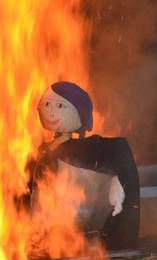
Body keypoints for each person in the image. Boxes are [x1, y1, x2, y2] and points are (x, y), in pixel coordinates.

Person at [30, 81, 140, 250]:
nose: (50, 111)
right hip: (51, 233)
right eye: (46, 104)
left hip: (86, 234)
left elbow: (118, 164)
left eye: (60, 105)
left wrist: (118, 187)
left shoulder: (95, 150)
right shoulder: (43, 153)